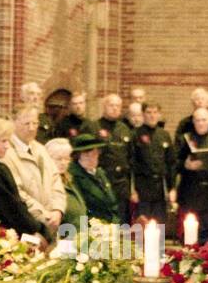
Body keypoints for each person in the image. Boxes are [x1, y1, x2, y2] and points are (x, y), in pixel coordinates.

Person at [2, 106, 64, 236]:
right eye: (26, 123)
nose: (31, 128)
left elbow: (56, 181)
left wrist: (58, 209)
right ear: (13, 123)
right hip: (27, 224)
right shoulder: (7, 153)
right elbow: (17, 192)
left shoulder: (41, 149)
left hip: (50, 222)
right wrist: (44, 215)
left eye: (35, 123)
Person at [171, 107, 208, 243]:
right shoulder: (185, 140)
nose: (201, 123)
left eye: (204, 120)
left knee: (207, 231)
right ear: (193, 122)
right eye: (197, 120)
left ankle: (206, 261)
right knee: (188, 231)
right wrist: (185, 165)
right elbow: (173, 163)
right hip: (189, 191)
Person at [127, 101, 172, 224]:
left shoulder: (164, 135)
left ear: (159, 115)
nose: (152, 115)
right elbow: (130, 164)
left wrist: (171, 189)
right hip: (142, 188)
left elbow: (170, 163)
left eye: (155, 112)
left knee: (159, 225)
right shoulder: (135, 134)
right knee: (143, 225)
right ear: (143, 114)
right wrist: (132, 190)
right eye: (148, 112)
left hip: (159, 189)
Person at [96, 94, 134, 222]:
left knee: (122, 220)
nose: (114, 108)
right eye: (111, 105)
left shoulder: (124, 129)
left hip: (121, 184)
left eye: (118, 106)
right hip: (102, 181)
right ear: (104, 106)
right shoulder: (95, 127)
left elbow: (130, 156)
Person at [67, 133, 120, 224]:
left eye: (94, 154)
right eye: (87, 155)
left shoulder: (100, 173)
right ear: (78, 156)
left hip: (110, 225)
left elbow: (112, 202)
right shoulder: (73, 176)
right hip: (90, 227)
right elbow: (82, 207)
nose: (92, 158)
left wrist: (114, 222)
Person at [46, 137, 85, 226]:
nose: (63, 163)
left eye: (67, 159)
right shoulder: (47, 183)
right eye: (59, 159)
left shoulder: (69, 180)